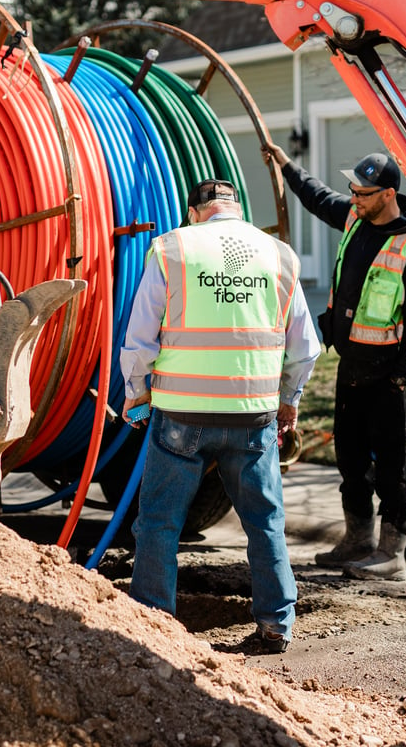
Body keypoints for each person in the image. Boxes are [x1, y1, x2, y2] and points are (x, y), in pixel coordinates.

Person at [120, 178, 321, 653]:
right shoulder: (280, 256)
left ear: (195, 212)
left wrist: (135, 392)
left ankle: (154, 622)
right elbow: (305, 349)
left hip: (181, 414)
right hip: (253, 415)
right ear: (237, 208)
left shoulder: (172, 249)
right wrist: (288, 399)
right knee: (264, 520)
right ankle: (276, 623)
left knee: (159, 523)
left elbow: (141, 335)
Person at [263, 144, 406, 583]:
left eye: (362, 192)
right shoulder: (356, 220)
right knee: (351, 459)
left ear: (388, 194)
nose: (354, 198)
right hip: (352, 367)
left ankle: (391, 553)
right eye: (353, 190)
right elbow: (319, 197)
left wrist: (401, 378)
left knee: (393, 464)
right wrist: (286, 166)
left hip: (389, 378)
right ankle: (357, 540)